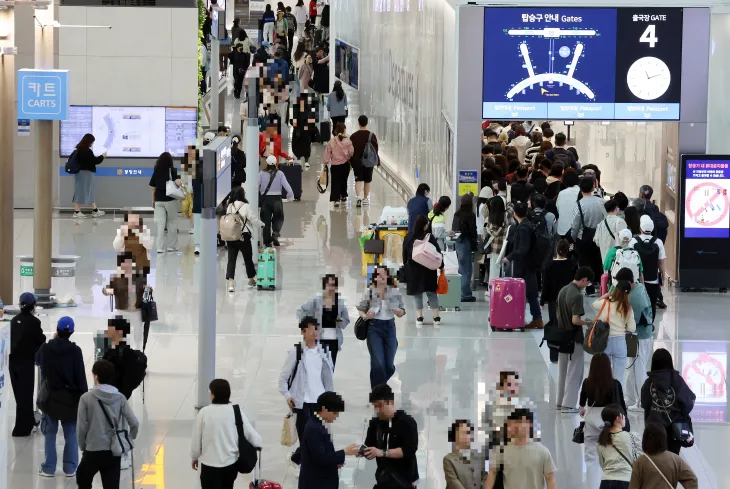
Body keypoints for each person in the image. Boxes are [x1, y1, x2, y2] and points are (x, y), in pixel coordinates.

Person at [278, 316, 334, 475]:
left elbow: (328, 377)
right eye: (312, 329)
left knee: (317, 437)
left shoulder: (324, 352)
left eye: (317, 329)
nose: (315, 332)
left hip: (319, 402)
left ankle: (296, 459)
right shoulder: (295, 352)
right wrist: (288, 396)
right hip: (301, 403)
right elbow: (282, 379)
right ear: (303, 331)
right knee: (306, 438)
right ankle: (304, 466)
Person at [36, 316, 88, 477]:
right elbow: (80, 376)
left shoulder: (46, 348)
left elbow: (37, 360)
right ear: (72, 331)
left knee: (50, 432)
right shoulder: (75, 351)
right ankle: (70, 468)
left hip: (51, 396)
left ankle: (49, 467)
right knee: (70, 433)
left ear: (57, 330)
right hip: (70, 398)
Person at [76, 360, 139, 489]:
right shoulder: (120, 398)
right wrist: (129, 439)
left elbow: (82, 426)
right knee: (111, 484)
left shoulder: (86, 398)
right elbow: (134, 423)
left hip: (93, 448)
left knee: (83, 478)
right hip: (113, 450)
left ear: (96, 376)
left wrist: (83, 445)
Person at [190, 379, 262, 489]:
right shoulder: (236, 411)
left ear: (213, 394)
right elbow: (253, 436)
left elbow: (196, 439)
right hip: (230, 466)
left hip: (209, 466)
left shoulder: (204, 413)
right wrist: (258, 444)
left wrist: (195, 456)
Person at [362, 384, 419, 489]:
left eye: (380, 405)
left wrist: (382, 452)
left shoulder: (407, 422)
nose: (377, 410)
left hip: (404, 481)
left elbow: (408, 450)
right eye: (375, 406)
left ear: (391, 402)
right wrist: (362, 451)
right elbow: (369, 446)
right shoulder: (375, 424)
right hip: (383, 480)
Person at [357, 266, 405, 388]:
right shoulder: (370, 291)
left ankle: (379, 388)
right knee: (378, 363)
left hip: (390, 327)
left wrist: (399, 311)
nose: (381, 277)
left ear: (388, 276)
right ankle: (377, 394)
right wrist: (366, 316)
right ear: (375, 277)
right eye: (378, 275)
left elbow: (402, 311)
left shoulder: (394, 291)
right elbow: (361, 310)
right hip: (374, 328)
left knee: (389, 365)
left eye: (383, 274)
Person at [300, 391, 360, 489]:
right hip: (316, 483)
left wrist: (335, 461)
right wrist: (344, 452)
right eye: (334, 413)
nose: (336, 416)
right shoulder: (314, 428)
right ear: (324, 409)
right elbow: (321, 457)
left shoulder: (318, 424)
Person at [484, 409, 557, 489]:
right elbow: (492, 474)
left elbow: (550, 480)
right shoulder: (501, 451)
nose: (514, 426)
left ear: (530, 424)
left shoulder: (543, 452)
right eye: (511, 423)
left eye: (518, 422)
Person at [641, 349, 695, 455]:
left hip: (654, 430)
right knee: (672, 461)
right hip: (674, 429)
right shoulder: (677, 381)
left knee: (655, 460)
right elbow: (689, 401)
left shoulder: (648, 383)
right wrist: (679, 413)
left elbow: (644, 403)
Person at [579, 353, 630, 466]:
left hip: (591, 423)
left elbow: (581, 404)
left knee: (590, 458)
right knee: (611, 456)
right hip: (609, 420)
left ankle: (592, 481)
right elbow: (621, 405)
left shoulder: (587, 382)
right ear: (608, 366)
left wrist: (582, 410)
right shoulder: (615, 384)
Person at [555, 267, 594, 412]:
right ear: (584, 279)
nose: (587, 286)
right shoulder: (577, 295)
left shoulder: (563, 290)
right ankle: (569, 404)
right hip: (574, 338)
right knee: (574, 371)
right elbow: (575, 320)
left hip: (561, 336)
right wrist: (587, 323)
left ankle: (560, 400)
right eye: (588, 283)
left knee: (562, 370)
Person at [614, 268, 653, 412]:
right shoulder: (640, 287)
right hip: (646, 334)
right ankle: (630, 398)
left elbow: (630, 324)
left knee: (638, 369)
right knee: (634, 367)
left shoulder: (632, 299)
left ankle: (643, 402)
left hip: (639, 337)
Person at [9, 292, 46, 436]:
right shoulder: (34, 322)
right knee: (26, 395)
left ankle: (25, 422)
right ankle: (22, 428)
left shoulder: (14, 320)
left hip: (13, 364)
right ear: (33, 306)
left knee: (19, 395)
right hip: (26, 364)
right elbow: (40, 339)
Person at [296, 274, 350, 368]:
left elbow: (346, 319)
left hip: (334, 339)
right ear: (324, 286)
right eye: (328, 285)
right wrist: (308, 324)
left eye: (333, 285)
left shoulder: (340, 303)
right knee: (318, 365)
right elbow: (301, 310)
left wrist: (341, 321)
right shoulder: (316, 301)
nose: (331, 288)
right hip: (319, 338)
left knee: (330, 366)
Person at [503, 201, 543, 328]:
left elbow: (523, 249)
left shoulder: (523, 227)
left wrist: (509, 257)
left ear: (514, 214)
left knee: (523, 292)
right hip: (528, 264)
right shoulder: (527, 225)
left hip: (524, 265)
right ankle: (535, 317)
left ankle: (522, 317)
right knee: (530, 292)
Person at [628, 423, 698, 489]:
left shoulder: (641, 461)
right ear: (664, 438)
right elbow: (692, 479)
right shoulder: (675, 459)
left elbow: (633, 486)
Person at [591, 280, 636, 383]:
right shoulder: (628, 307)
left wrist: (606, 295)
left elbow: (594, 304)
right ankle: (617, 397)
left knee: (603, 376)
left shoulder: (605, 303)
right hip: (620, 342)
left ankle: (603, 397)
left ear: (615, 291)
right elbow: (632, 328)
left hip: (604, 341)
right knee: (618, 379)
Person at [403, 215, 443, 327]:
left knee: (417, 293)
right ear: (425, 226)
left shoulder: (409, 237)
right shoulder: (430, 237)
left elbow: (404, 254)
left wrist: (406, 265)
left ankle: (419, 317)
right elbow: (438, 253)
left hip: (413, 269)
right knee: (431, 293)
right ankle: (436, 318)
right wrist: (441, 266)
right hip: (428, 269)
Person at [103, 252, 148, 350]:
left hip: (137, 311)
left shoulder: (140, 277)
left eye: (130, 263)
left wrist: (148, 289)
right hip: (122, 311)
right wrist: (107, 291)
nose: (127, 266)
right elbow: (105, 289)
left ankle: (138, 352)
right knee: (120, 336)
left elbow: (145, 290)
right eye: (125, 264)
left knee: (138, 335)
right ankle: (122, 352)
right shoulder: (116, 278)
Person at [224, 186, 264, 292]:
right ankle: (251, 279)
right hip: (243, 236)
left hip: (231, 236)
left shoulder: (229, 206)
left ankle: (231, 284)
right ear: (242, 195)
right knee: (247, 258)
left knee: (231, 259)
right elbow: (252, 219)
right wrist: (262, 224)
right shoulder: (245, 206)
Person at [571, 177, 607, 294]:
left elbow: (575, 225)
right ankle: (602, 286)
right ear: (593, 187)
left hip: (583, 238)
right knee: (598, 261)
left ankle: (589, 287)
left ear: (580, 189)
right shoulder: (601, 202)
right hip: (599, 237)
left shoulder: (579, 204)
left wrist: (573, 237)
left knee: (585, 263)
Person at [541, 239, 576, 355]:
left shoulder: (549, 265)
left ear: (556, 250)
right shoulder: (572, 264)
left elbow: (545, 284)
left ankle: (554, 353)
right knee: (567, 324)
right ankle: (567, 349)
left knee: (554, 323)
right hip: (568, 299)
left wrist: (542, 301)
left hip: (553, 299)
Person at [630, 215, 666, 322]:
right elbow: (661, 262)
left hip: (637, 279)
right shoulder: (658, 242)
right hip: (653, 278)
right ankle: (650, 322)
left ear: (640, 228)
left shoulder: (633, 241)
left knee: (636, 301)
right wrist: (662, 276)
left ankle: (637, 322)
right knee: (651, 302)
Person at [597, 405, 641, 489]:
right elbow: (637, 460)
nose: (625, 418)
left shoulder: (601, 440)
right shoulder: (631, 437)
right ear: (618, 418)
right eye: (623, 415)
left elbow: (602, 464)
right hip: (625, 481)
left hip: (605, 481)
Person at [149, 152, 182, 253]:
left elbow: (153, 188)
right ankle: (171, 246)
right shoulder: (172, 170)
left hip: (158, 200)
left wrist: (153, 201)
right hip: (170, 199)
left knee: (160, 224)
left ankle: (159, 247)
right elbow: (177, 183)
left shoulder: (156, 170)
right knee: (172, 222)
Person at [259, 155, 294, 247]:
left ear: (267, 163)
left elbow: (256, 186)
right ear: (276, 163)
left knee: (265, 221)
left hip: (266, 200)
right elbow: (288, 188)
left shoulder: (262, 173)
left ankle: (267, 242)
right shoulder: (280, 174)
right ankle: (275, 234)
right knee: (278, 218)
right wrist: (290, 197)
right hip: (277, 200)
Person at [71, 133, 107, 219]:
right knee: (83, 191)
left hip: (81, 173)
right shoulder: (86, 151)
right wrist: (102, 156)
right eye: (92, 142)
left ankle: (94, 210)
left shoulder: (78, 148)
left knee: (86, 190)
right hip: (85, 173)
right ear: (89, 141)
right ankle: (77, 212)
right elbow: (94, 161)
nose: (92, 144)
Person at [443, 420, 486, 489]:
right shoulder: (449, 459)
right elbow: (453, 482)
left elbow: (484, 478)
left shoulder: (479, 457)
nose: (467, 436)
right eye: (463, 433)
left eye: (469, 433)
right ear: (455, 436)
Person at [453, 193, 478, 302]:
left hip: (458, 242)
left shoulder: (456, 214)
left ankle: (460, 292)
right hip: (466, 242)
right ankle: (466, 294)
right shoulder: (470, 215)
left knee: (460, 268)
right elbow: (473, 231)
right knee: (467, 270)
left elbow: (454, 229)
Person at [350, 115, 379, 207]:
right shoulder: (371, 135)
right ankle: (365, 199)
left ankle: (358, 198)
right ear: (367, 123)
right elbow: (375, 150)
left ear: (358, 123)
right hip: (369, 162)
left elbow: (350, 150)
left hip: (357, 161)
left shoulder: (354, 136)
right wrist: (378, 161)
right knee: (367, 181)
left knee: (358, 180)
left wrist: (351, 161)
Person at [485, 185, 511, 284]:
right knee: (503, 268)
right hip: (504, 245)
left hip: (494, 245)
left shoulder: (490, 219)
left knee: (494, 267)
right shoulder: (505, 216)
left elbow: (487, 227)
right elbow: (510, 208)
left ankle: (492, 287)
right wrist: (508, 193)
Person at [324, 122, 354, 206]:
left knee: (335, 182)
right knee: (344, 180)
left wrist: (326, 162)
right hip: (345, 165)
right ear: (344, 130)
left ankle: (336, 199)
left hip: (335, 166)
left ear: (336, 131)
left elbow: (327, 153)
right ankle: (343, 195)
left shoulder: (331, 141)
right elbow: (351, 152)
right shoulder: (348, 141)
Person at [291, 92, 318, 168]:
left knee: (297, 145)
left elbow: (293, 119)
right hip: (307, 129)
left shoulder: (296, 105)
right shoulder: (310, 106)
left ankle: (298, 160)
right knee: (306, 145)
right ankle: (306, 161)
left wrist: (295, 127)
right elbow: (313, 119)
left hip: (298, 130)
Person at [555, 169, 580, 239]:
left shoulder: (561, 193)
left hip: (562, 230)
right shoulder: (580, 192)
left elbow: (558, 208)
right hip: (577, 231)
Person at [231, 31, 252, 99]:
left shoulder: (237, 40)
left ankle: (235, 90)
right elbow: (252, 44)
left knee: (236, 77)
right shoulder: (247, 39)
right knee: (241, 78)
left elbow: (234, 46)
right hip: (244, 60)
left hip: (237, 60)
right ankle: (238, 93)